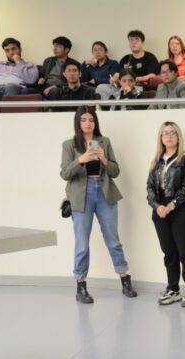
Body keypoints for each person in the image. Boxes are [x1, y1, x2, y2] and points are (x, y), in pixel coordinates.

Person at [60, 106, 138, 304]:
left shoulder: (105, 142)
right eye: (84, 119)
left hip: (104, 193)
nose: (88, 123)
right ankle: (81, 285)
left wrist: (103, 158)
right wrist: (81, 159)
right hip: (81, 196)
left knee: (113, 240)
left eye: (91, 120)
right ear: (78, 122)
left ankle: (125, 279)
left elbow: (115, 172)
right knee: (82, 244)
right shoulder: (69, 145)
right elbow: (65, 174)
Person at [147, 122, 185, 308]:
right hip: (160, 212)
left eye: (173, 133)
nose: (169, 136)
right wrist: (157, 206)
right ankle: (173, 289)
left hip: (182, 211)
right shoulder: (156, 161)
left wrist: (171, 205)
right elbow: (150, 188)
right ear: (161, 138)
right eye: (165, 133)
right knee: (169, 252)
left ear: (178, 137)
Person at [96, 30, 159, 101]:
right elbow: (117, 73)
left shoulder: (149, 57)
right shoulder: (125, 58)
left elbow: (152, 75)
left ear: (143, 43)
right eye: (131, 40)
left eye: (136, 40)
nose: (133, 43)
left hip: (137, 87)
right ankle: (108, 110)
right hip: (121, 86)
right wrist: (113, 79)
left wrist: (132, 80)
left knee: (127, 95)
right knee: (101, 88)